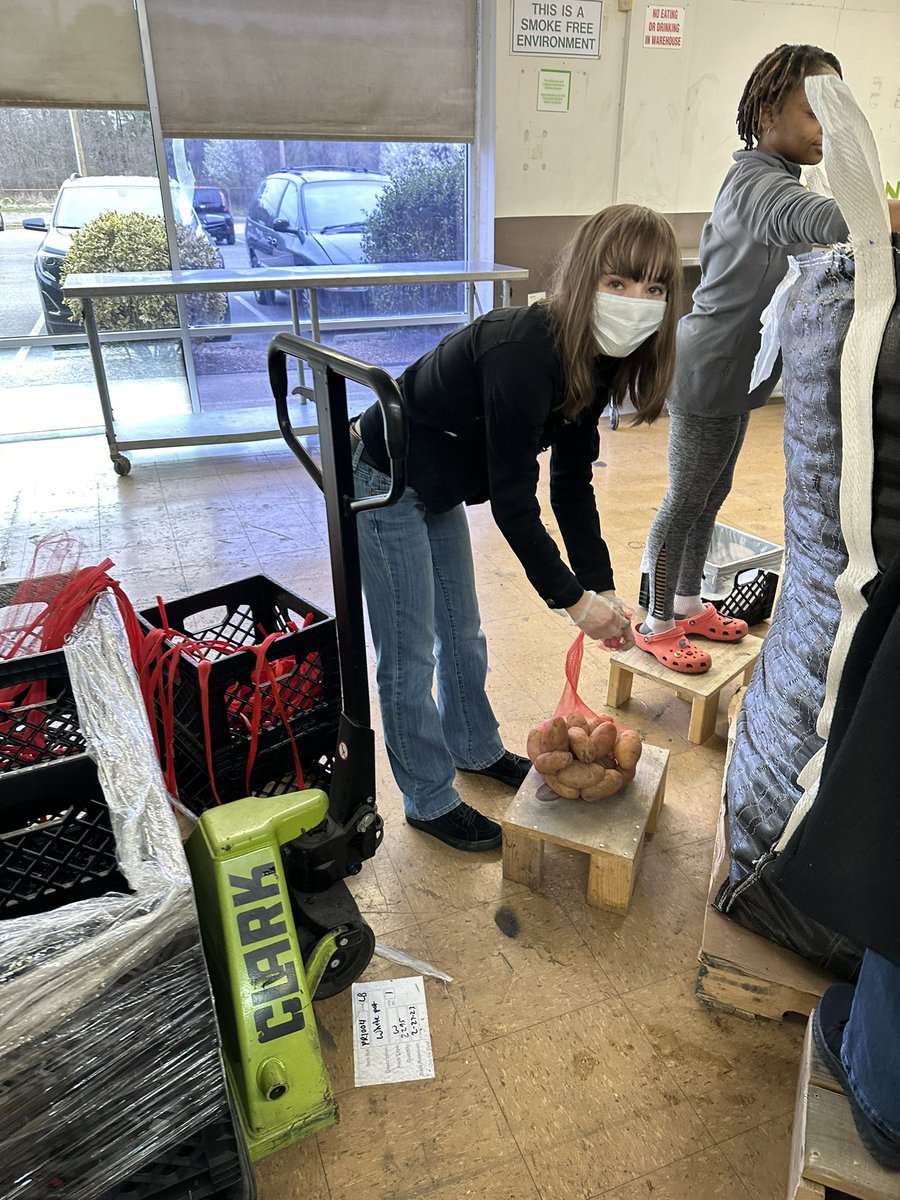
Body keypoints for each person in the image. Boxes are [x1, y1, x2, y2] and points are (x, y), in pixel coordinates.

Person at [350, 205, 681, 851]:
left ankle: (473, 749)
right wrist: (572, 602)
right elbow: (513, 498)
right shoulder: (523, 348)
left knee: (462, 633)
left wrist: (600, 586)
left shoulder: (599, 357)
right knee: (410, 652)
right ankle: (427, 797)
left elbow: (571, 481)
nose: (636, 302)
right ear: (584, 277)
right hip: (386, 479)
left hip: (440, 480)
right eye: (618, 283)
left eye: (655, 289)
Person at [635, 43, 900, 674]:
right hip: (706, 369)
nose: (824, 129)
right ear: (765, 112)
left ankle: (687, 601)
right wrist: (880, 214)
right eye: (813, 110)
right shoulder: (755, 180)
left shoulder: (778, 176)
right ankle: (654, 620)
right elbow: (801, 221)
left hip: (733, 376)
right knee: (685, 497)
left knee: (710, 493)